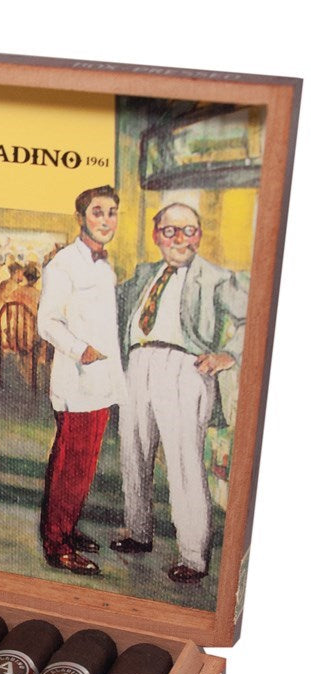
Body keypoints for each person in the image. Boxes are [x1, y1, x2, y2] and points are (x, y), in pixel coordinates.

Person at [111, 202, 248, 583]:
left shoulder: (216, 278)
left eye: (189, 231)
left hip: (185, 369)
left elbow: (255, 315)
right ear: (157, 235)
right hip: (139, 364)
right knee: (133, 453)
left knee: (184, 463)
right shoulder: (145, 273)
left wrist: (227, 355)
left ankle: (193, 555)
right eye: (171, 231)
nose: (180, 240)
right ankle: (138, 531)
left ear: (199, 236)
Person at [37, 184, 125, 575]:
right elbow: (47, 322)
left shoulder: (105, 267)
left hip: (101, 383)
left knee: (83, 465)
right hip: (77, 380)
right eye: (97, 212)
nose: (106, 220)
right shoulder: (63, 265)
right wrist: (81, 349)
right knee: (70, 466)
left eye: (111, 212)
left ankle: (67, 529)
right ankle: (57, 544)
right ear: (80, 218)